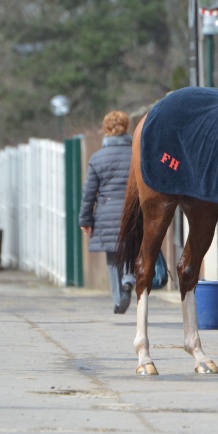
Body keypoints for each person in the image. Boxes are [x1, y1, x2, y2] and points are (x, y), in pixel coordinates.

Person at [80, 110, 135, 314]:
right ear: (126, 128)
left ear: (106, 129)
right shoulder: (137, 154)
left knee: (113, 256)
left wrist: (85, 219)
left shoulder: (97, 158)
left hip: (106, 213)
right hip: (133, 210)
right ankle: (129, 279)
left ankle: (118, 298)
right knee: (132, 249)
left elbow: (89, 193)